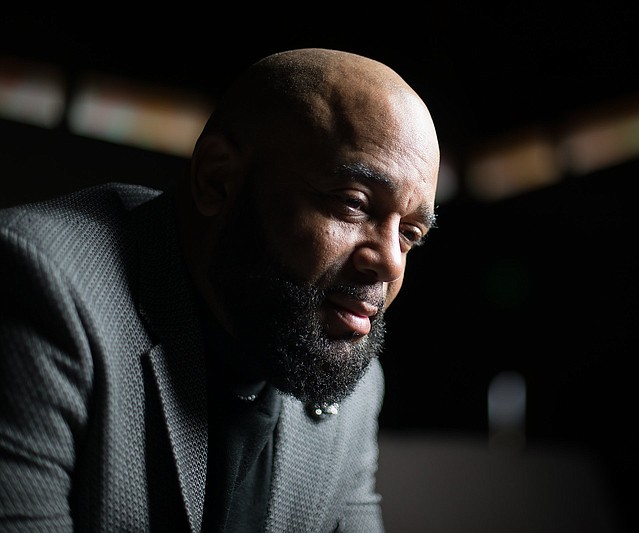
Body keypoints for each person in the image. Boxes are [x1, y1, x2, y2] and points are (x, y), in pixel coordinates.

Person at [0, 48, 440, 532]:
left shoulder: (354, 385)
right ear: (218, 179)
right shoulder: (39, 280)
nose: (390, 260)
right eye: (353, 203)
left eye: (410, 233)